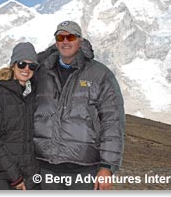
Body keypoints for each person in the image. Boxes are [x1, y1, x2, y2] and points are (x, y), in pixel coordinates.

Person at [33, 21, 125, 190]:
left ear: (80, 41)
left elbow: (112, 122)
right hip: (46, 167)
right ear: (56, 42)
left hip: (84, 170)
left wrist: (107, 167)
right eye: (61, 37)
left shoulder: (100, 74)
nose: (65, 41)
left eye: (71, 37)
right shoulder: (42, 71)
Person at [0, 42, 40, 190]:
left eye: (32, 66)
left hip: (28, 178)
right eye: (22, 64)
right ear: (13, 65)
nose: (26, 69)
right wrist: (15, 177)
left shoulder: (31, 96)